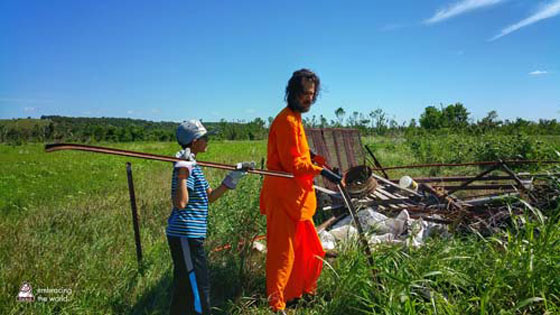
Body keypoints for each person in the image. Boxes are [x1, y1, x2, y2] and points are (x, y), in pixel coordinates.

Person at [259, 69, 342, 313]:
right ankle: (277, 305)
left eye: (312, 94)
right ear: (292, 92)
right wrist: (321, 171)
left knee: (310, 249)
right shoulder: (285, 120)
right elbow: (293, 164)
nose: (308, 98)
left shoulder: (296, 119)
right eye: (304, 93)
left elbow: (300, 154)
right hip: (283, 197)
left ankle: (299, 293)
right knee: (282, 255)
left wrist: (315, 159)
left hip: (298, 199)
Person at [167, 119, 252, 315]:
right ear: (194, 141)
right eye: (205, 137)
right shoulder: (184, 167)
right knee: (198, 287)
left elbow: (210, 196)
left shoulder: (194, 167)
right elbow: (180, 203)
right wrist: (182, 171)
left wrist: (233, 177)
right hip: (185, 236)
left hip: (191, 236)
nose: (208, 141)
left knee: (185, 287)